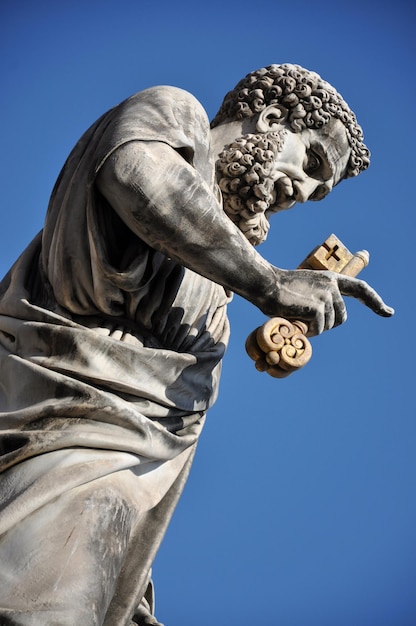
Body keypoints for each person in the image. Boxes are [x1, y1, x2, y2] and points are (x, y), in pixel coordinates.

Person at [0, 64, 393, 625]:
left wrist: (133, 588)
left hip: (112, 507)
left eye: (317, 193)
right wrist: (270, 282)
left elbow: (153, 454)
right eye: (310, 164)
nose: (302, 192)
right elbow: (135, 173)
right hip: (45, 441)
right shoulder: (175, 115)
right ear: (271, 118)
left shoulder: (216, 295)